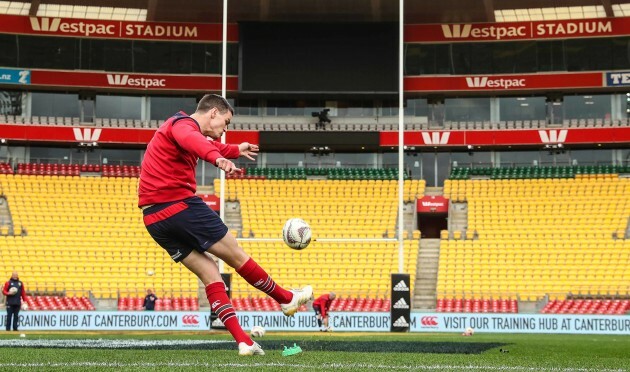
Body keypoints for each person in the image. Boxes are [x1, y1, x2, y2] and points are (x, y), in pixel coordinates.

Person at [138, 94, 313, 356]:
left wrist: (234, 150)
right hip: (179, 205)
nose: (225, 129)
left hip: (154, 219)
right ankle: (286, 299)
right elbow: (196, 141)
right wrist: (216, 158)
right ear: (213, 113)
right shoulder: (182, 124)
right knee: (237, 256)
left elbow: (204, 144)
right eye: (226, 122)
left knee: (210, 274)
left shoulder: (178, 130)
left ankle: (244, 341)